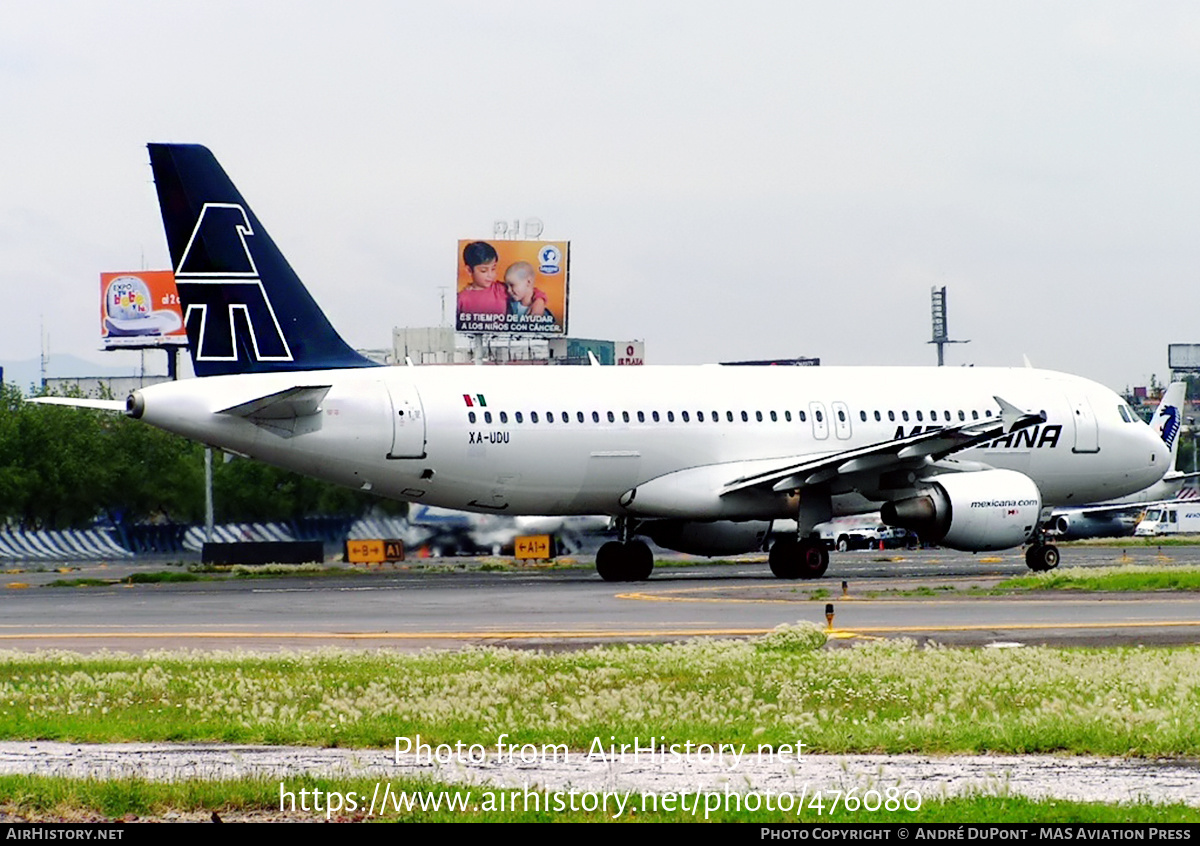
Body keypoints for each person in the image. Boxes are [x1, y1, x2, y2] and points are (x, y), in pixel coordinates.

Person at [456, 242, 507, 317]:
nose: (490, 275)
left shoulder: (501, 289)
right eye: (484, 270)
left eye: (493, 269)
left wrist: (531, 302)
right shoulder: (462, 298)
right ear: (469, 270)